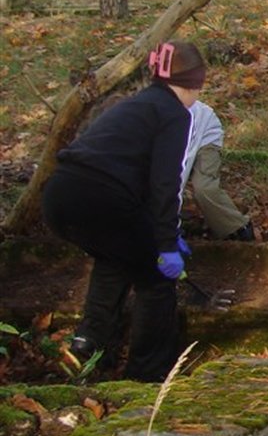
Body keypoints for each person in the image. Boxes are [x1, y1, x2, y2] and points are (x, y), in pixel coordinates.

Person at [41, 40, 206, 382]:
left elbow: (133, 179)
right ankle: (148, 375)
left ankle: (88, 348)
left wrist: (166, 233)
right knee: (156, 279)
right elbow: (164, 184)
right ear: (193, 83)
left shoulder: (136, 104)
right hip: (101, 199)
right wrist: (165, 245)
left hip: (60, 195)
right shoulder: (175, 114)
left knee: (115, 259)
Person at [182, 101, 255, 241]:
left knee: (204, 188)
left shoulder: (184, 115)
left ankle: (238, 228)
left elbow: (182, 166)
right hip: (184, 141)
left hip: (205, 137)